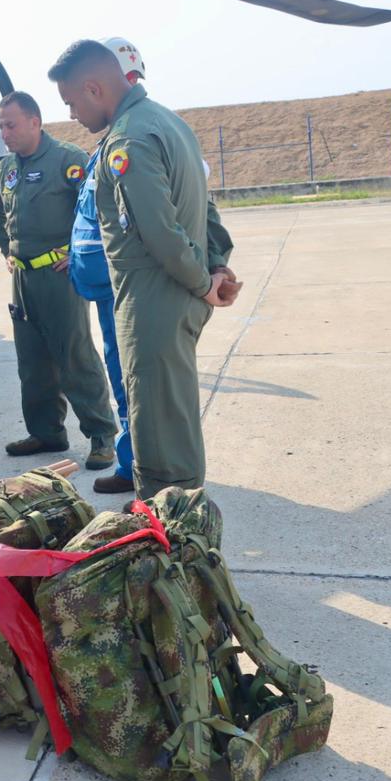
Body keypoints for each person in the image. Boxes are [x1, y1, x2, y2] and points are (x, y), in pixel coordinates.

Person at [49, 39, 238, 500]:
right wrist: (216, 267)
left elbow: (161, 232)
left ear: (94, 88)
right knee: (174, 419)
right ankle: (183, 523)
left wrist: (204, 283)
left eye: (71, 102)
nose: (72, 114)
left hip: (153, 302)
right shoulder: (169, 122)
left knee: (158, 437)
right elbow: (205, 209)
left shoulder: (128, 140)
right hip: (174, 298)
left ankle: (171, 536)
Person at [0, 91, 117, 470]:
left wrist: (77, 251)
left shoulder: (67, 159)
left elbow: (97, 208)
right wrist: (5, 246)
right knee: (32, 361)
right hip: (23, 278)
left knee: (75, 355)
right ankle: (47, 432)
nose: (5, 132)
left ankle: (102, 434)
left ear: (35, 122)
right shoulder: (5, 168)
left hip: (60, 276)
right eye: (1, 125)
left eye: (12, 125)